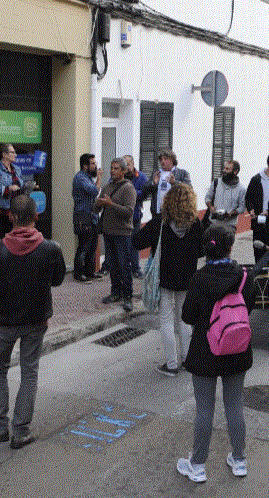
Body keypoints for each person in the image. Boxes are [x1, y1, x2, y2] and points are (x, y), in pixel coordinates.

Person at [0, 195, 65, 449]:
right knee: (29, 373)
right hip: (36, 320)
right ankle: (21, 431)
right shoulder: (51, 249)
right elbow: (58, 281)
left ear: (10, 217)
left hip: (4, 319)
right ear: (36, 217)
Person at [177, 225, 255, 483]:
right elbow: (248, 308)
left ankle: (198, 465)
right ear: (230, 247)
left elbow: (187, 315)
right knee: (235, 405)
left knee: (204, 410)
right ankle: (239, 460)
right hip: (236, 348)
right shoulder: (244, 277)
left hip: (205, 351)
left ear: (206, 249)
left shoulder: (199, 278)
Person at [133, 183, 204, 376]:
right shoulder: (196, 223)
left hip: (164, 277)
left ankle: (172, 364)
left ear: (169, 200)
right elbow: (201, 251)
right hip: (188, 276)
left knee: (166, 320)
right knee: (184, 319)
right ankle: (188, 361)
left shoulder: (160, 222)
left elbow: (137, 242)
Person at [95, 158, 137, 311]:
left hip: (122, 233)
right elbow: (95, 208)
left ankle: (128, 296)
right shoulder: (107, 187)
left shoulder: (128, 188)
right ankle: (115, 292)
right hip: (108, 232)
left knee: (124, 264)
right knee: (112, 264)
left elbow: (129, 212)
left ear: (124, 171)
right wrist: (99, 204)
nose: (112, 171)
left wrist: (111, 204)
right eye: (111, 168)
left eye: (116, 168)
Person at [0, 143, 24, 279]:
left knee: (12, 240)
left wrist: (21, 186)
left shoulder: (16, 169)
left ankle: (9, 267)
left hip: (13, 211)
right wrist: (6, 189)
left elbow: (20, 183)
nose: (15, 155)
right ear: (4, 154)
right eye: (12, 152)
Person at [72, 153, 101, 282]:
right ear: (85, 166)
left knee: (93, 246)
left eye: (95, 163)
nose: (95, 166)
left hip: (93, 216)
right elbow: (94, 191)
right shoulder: (80, 178)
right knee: (83, 246)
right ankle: (78, 274)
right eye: (93, 163)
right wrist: (99, 178)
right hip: (83, 217)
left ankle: (90, 272)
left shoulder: (88, 177)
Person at [141, 149, 191, 216]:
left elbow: (189, 190)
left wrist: (175, 183)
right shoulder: (156, 173)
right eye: (161, 160)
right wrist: (153, 183)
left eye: (165, 159)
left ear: (173, 160)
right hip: (157, 213)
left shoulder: (182, 173)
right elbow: (145, 190)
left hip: (175, 212)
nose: (163, 161)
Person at [123, 155, 148, 278]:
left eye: (127, 164)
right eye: (124, 164)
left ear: (132, 163)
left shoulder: (141, 177)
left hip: (135, 216)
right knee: (122, 244)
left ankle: (135, 268)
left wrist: (129, 192)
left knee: (134, 243)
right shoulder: (119, 176)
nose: (126, 167)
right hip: (121, 216)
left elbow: (144, 193)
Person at [205, 160, 246, 231]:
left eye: (227, 169)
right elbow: (208, 197)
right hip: (213, 224)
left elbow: (242, 208)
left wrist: (231, 213)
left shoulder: (241, 189)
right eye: (224, 168)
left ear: (235, 171)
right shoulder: (216, 182)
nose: (224, 170)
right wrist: (211, 207)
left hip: (229, 227)